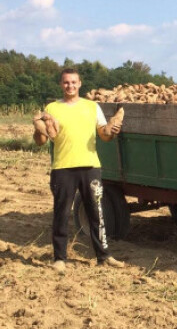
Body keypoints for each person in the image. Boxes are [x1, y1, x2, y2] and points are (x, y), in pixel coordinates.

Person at [33, 68, 124, 272]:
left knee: (96, 213)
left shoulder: (92, 107)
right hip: (63, 168)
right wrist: (37, 127)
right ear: (61, 84)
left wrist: (112, 131)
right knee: (61, 214)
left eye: (73, 82)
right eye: (66, 82)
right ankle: (60, 258)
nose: (70, 86)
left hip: (90, 166)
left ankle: (103, 256)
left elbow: (104, 135)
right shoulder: (51, 108)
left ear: (80, 84)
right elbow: (41, 141)